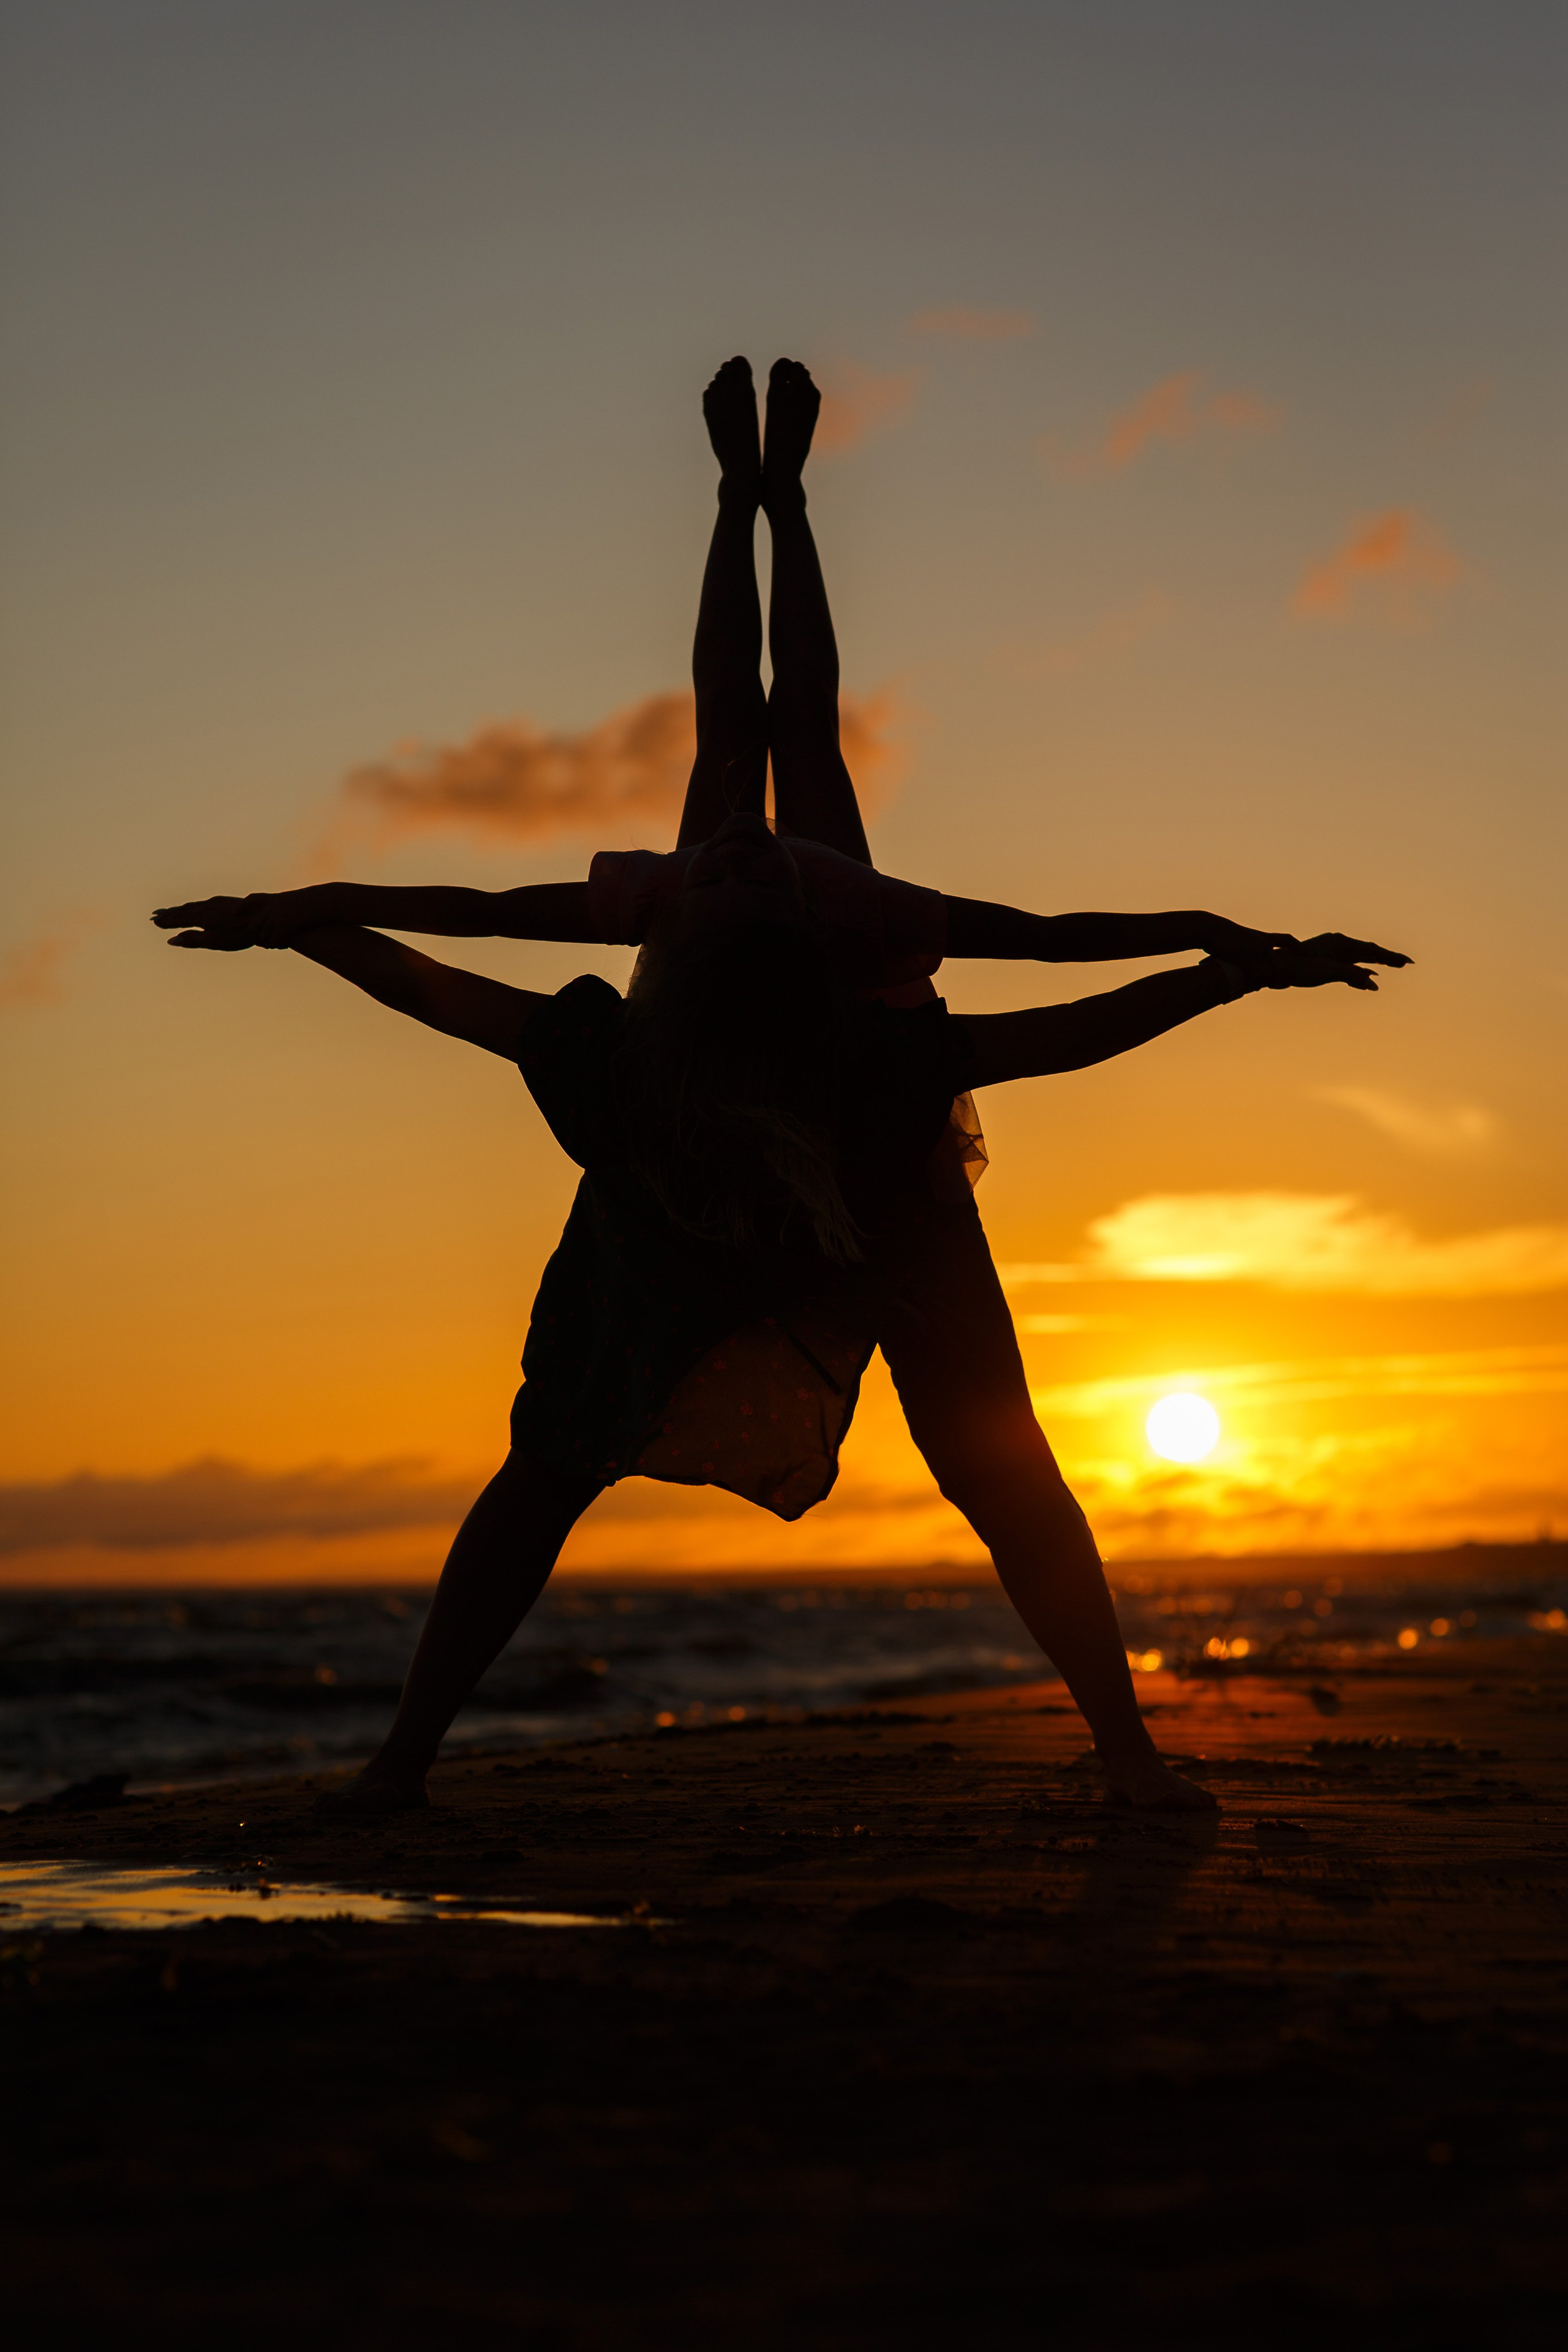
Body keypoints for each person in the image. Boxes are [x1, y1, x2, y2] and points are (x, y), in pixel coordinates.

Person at [156, 360, 1407, 1813]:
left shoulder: (801, 957)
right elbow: (451, 935)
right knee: (550, 1462)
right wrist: (293, 918)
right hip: (701, 1151)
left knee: (993, 1466)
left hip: (861, 1166)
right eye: (730, 868)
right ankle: (401, 1764)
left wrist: (1220, 959)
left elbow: (1060, 984)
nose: (738, 849)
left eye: (746, 870)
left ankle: (1124, 1755)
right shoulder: (702, 964)